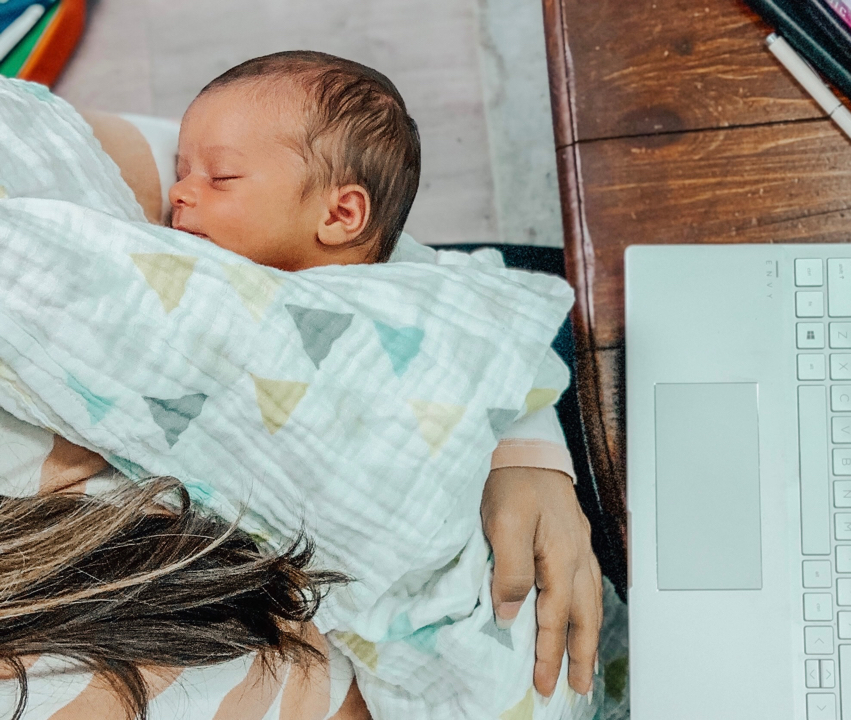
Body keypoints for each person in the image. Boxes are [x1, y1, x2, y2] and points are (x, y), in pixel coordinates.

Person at [1, 50, 601, 717]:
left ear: (341, 215)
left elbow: (459, 305)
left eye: (217, 177)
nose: (179, 195)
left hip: (521, 529)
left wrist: (526, 452)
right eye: (185, 175)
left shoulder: (270, 256)